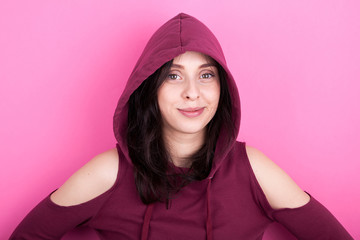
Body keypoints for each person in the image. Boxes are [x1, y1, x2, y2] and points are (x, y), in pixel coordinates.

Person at [10, 13, 352, 240]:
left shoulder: (253, 171)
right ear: (149, 87)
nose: (192, 92)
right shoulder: (107, 174)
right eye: (174, 76)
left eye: (206, 75)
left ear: (223, 88)